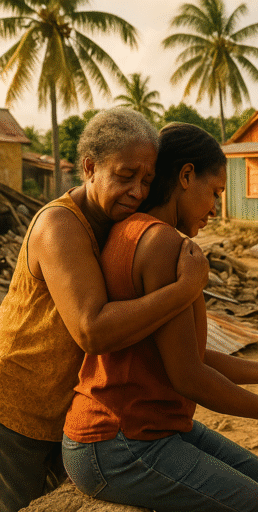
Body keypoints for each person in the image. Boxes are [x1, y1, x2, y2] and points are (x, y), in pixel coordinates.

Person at [62, 123, 258, 512]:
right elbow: (189, 377)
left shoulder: (142, 232)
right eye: (214, 193)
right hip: (116, 440)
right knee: (255, 504)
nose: (215, 208)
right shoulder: (163, 242)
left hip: (149, 428)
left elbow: (188, 357)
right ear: (185, 175)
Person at [0, 109, 210, 512]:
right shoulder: (60, 225)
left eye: (146, 180)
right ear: (90, 167)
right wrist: (186, 288)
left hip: (63, 411)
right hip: (18, 408)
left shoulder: (113, 226)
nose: (136, 190)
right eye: (125, 175)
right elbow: (91, 330)